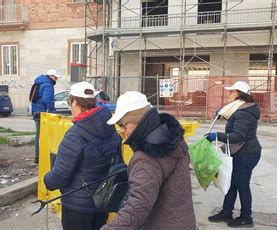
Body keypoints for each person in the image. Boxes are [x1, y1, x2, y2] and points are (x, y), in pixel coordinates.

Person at [102, 91, 196, 230]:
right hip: (183, 221)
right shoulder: (173, 140)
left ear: (137, 121)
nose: (121, 131)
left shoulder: (147, 158)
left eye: (123, 125)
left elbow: (138, 205)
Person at [44, 82, 121, 230]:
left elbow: (60, 175)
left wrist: (47, 180)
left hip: (77, 207)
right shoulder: (109, 127)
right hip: (102, 201)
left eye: (69, 101)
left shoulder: (74, 135)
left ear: (75, 102)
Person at [206, 81, 261, 228]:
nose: (229, 94)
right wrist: (223, 114)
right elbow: (234, 120)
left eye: (231, 91)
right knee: (231, 184)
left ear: (239, 94)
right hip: (239, 151)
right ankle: (226, 212)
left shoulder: (244, 112)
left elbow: (238, 136)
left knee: (241, 185)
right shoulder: (240, 108)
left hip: (247, 153)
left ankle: (246, 218)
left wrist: (215, 136)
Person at [31, 69, 60, 163]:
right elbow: (46, 100)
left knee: (38, 135)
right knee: (43, 135)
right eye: (55, 77)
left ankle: (38, 157)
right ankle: (39, 157)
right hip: (42, 113)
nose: (56, 79)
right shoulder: (48, 85)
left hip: (36, 111)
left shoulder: (40, 82)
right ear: (51, 76)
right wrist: (53, 111)